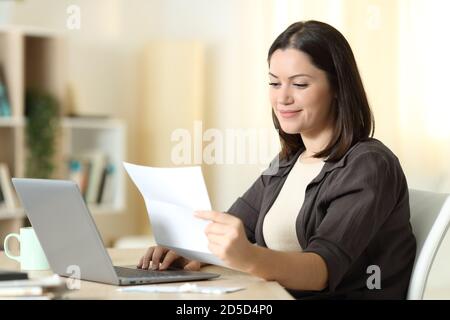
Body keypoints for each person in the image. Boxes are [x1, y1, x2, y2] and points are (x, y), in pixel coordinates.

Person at [137, 20, 416, 300]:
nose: (282, 97)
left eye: (299, 84)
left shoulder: (369, 165)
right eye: (274, 82)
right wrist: (191, 250)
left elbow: (321, 270)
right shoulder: (287, 162)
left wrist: (249, 257)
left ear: (337, 87)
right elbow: (239, 225)